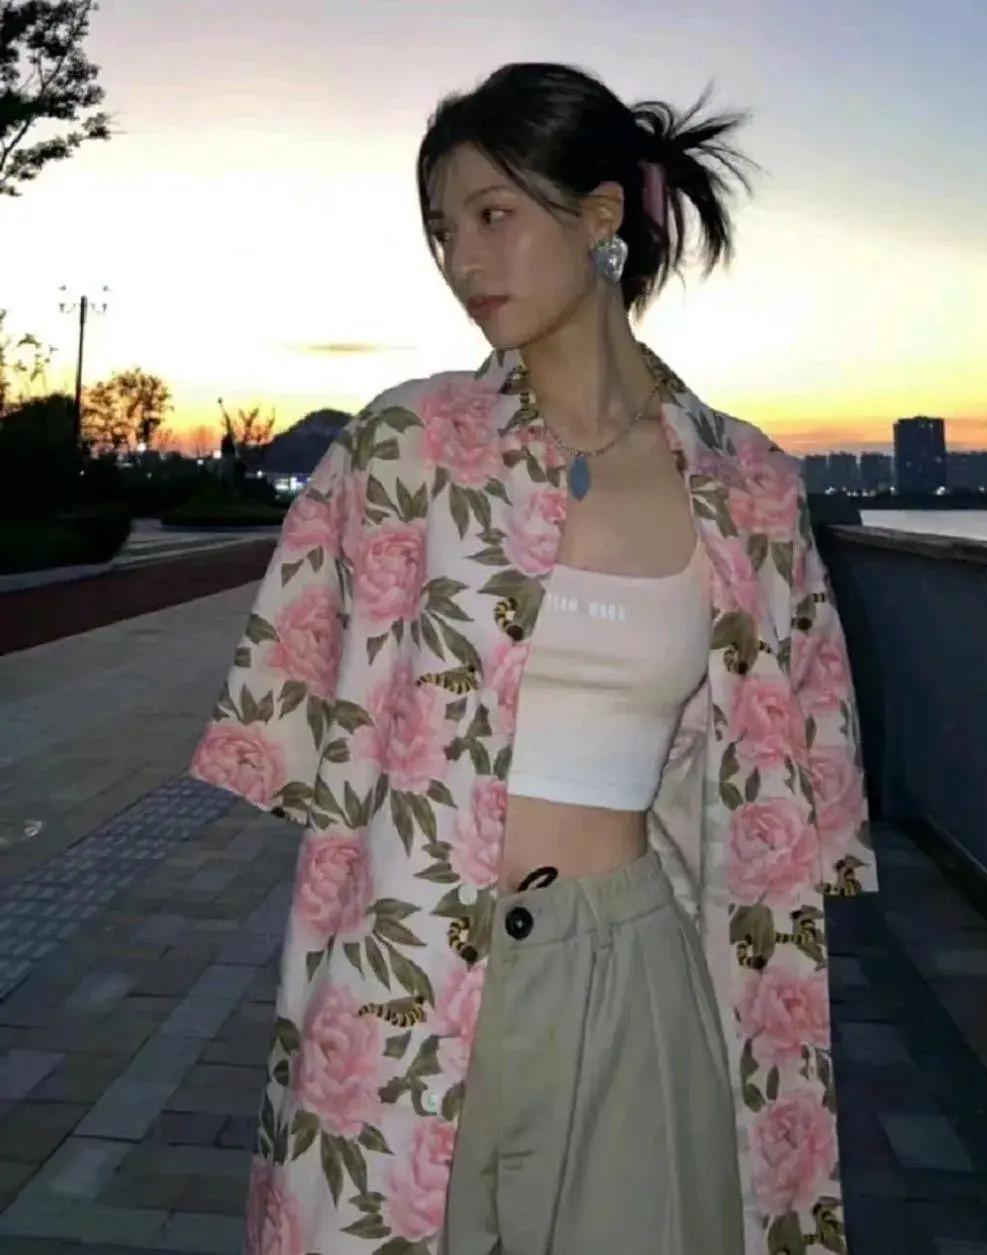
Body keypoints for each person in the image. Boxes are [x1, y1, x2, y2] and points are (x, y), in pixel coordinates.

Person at [188, 60, 879, 1255]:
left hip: (636, 965)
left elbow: (799, 786)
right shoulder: (402, 449)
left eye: (493, 215)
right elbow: (292, 734)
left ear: (601, 215)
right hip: (408, 966)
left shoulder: (751, 489)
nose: (463, 260)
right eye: (442, 230)